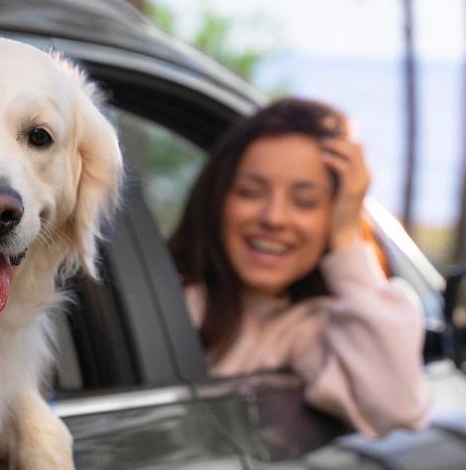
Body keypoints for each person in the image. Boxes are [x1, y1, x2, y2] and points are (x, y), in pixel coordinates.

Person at [168, 97, 429, 438]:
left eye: (305, 201)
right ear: (218, 199)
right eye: (250, 192)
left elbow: (395, 408)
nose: (274, 218)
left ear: (334, 217)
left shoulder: (312, 328)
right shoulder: (161, 295)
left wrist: (349, 236)